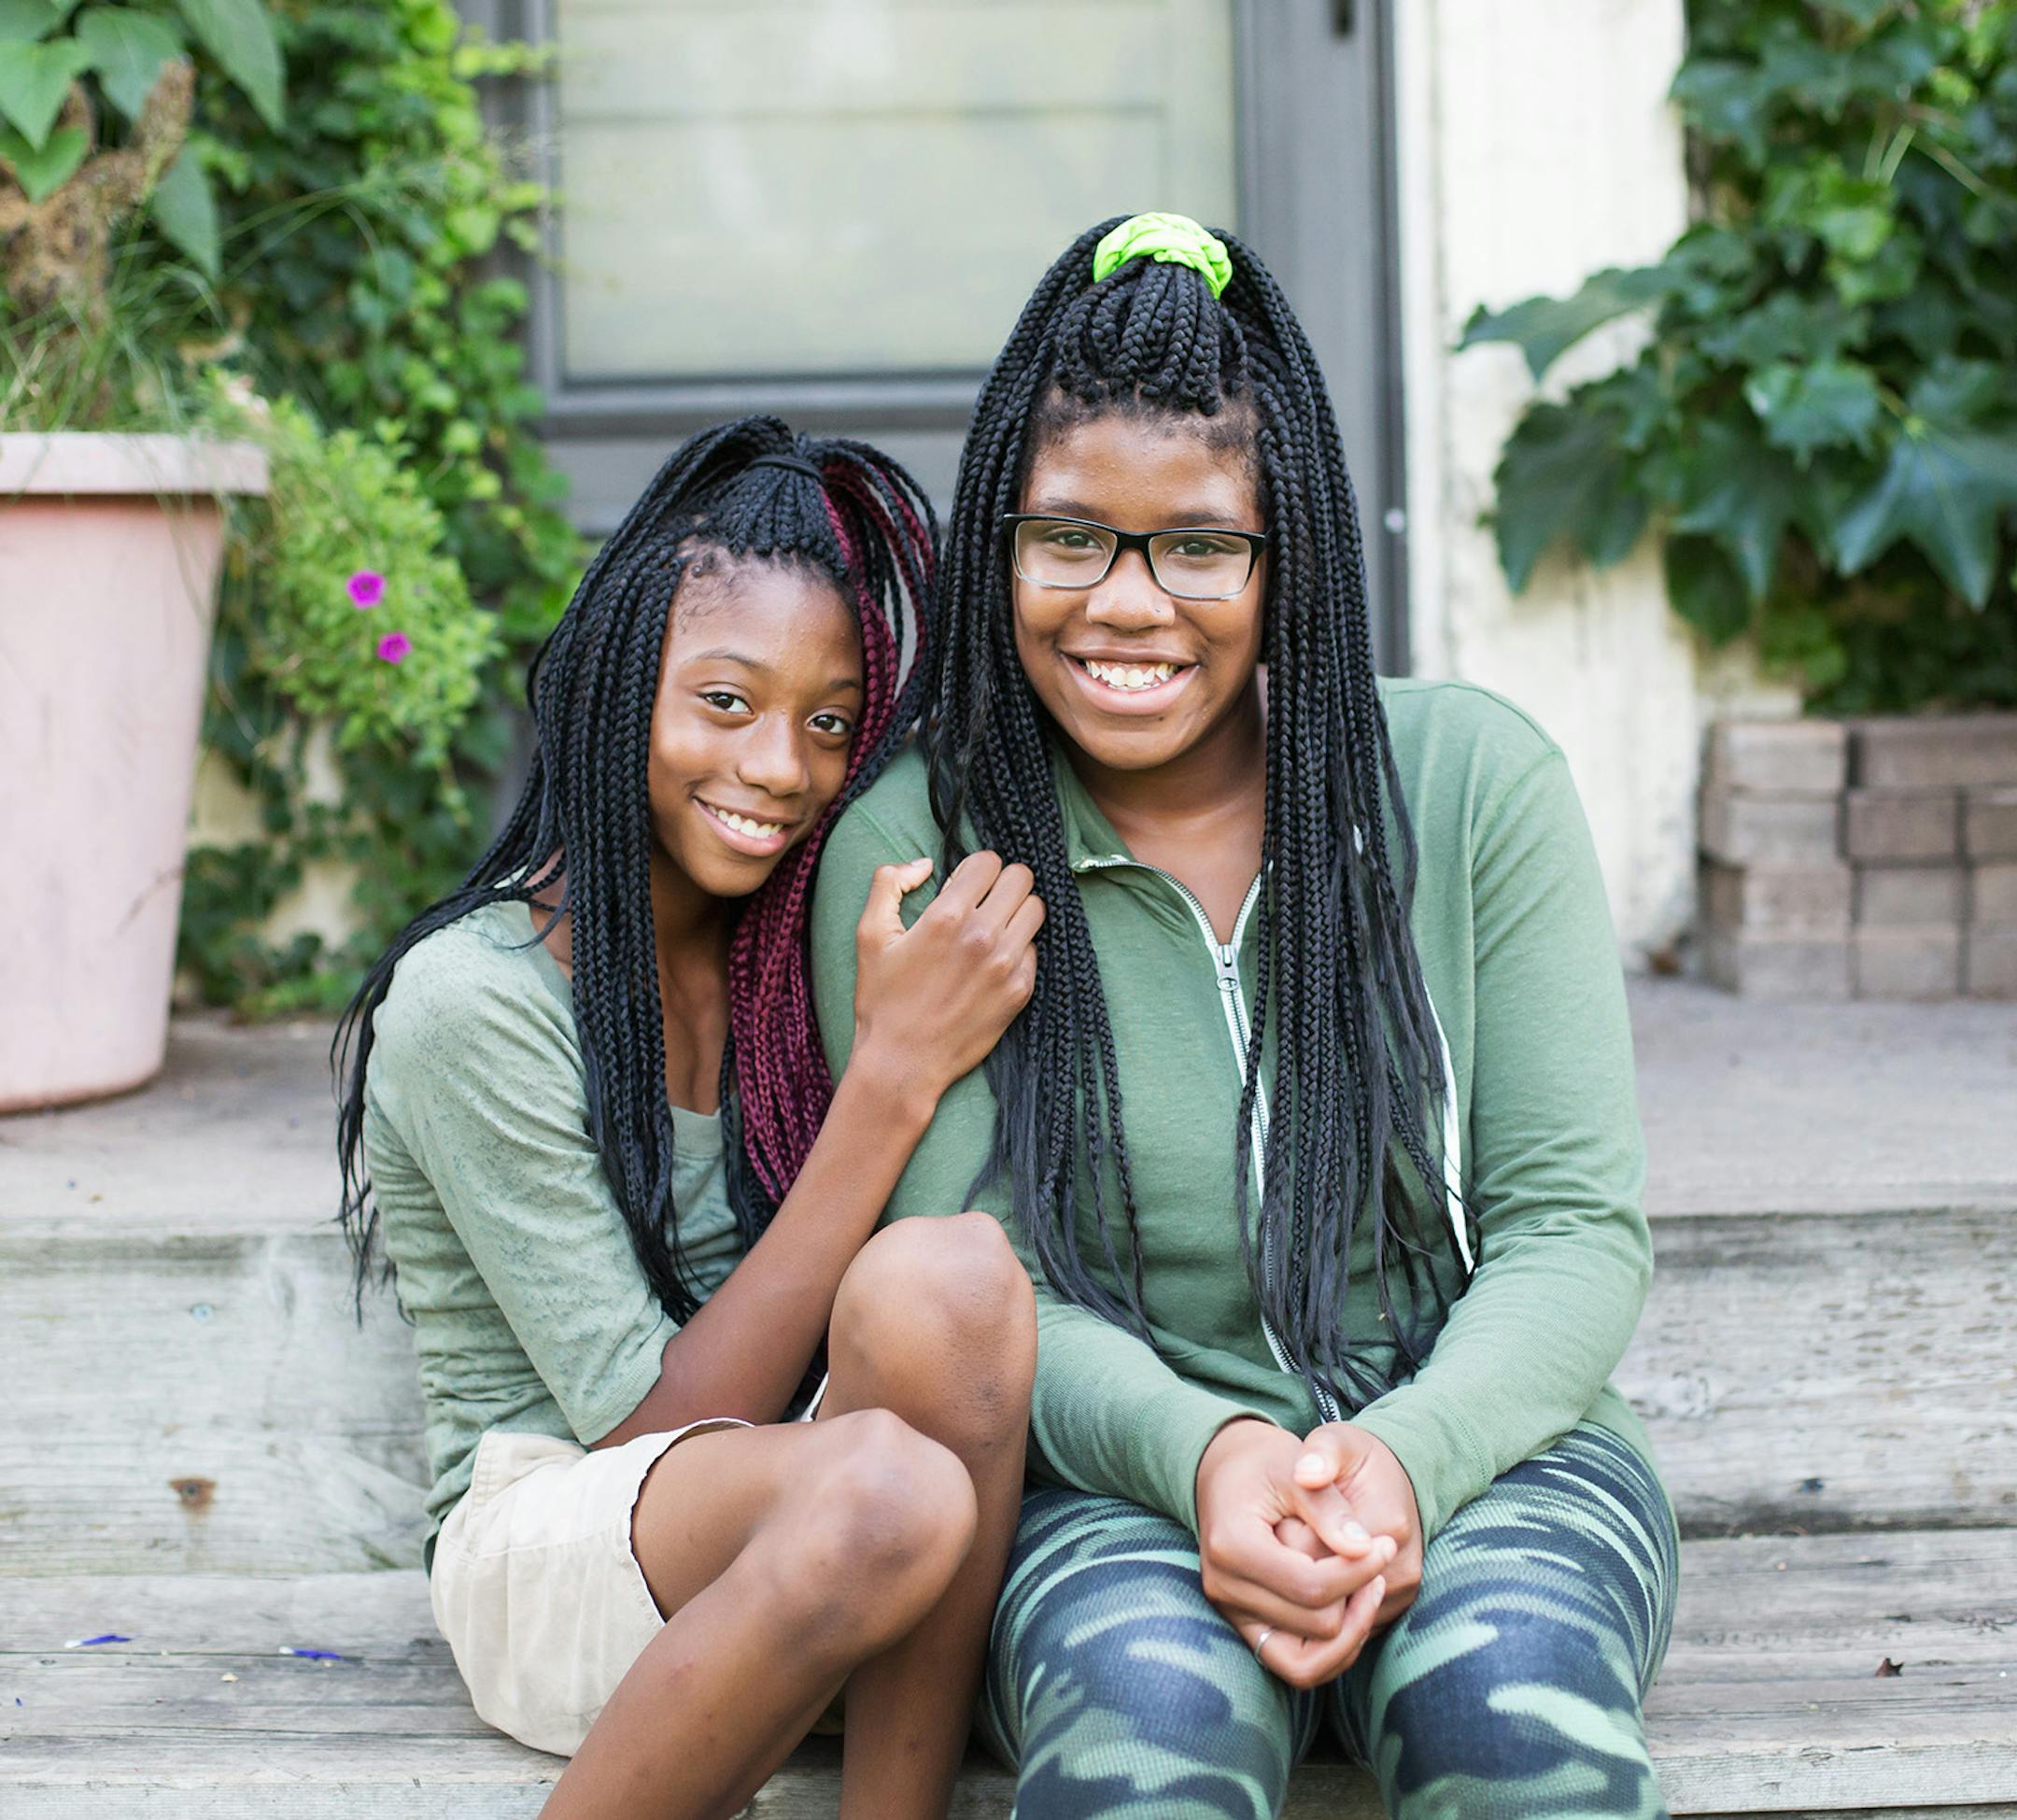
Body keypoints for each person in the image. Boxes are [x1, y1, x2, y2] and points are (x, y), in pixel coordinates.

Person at [810, 216, 1679, 1819]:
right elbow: (975, 1304)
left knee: (1505, 1708)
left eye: (1199, 545)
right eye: (1069, 536)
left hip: (1482, 1447)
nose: (1127, 603)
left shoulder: (1472, 784)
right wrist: (1211, 1454)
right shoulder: (919, 849)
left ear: (1291, 558)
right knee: (1151, 1722)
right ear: (999, 539)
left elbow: (1575, 1230)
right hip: (1109, 1487)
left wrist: (1404, 1459)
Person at [334, 417, 1044, 1820]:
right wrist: (890, 1082)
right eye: (726, 701)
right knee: (887, 1489)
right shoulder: (471, 1001)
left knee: (952, 1285)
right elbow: (644, 1431)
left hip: (817, 1513)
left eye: (829, 720)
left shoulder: (785, 958)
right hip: (559, 1537)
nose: (780, 766)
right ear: (616, 689)